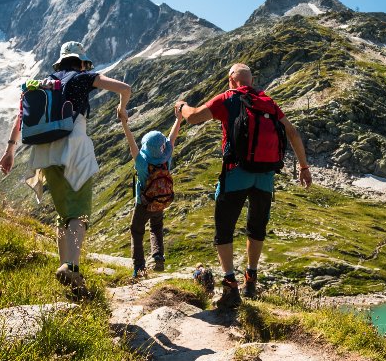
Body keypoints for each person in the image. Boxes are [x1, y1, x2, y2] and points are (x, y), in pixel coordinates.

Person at [0, 41, 131, 296]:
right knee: (78, 214)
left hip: (46, 152)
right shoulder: (83, 77)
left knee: (63, 214)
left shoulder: (43, 83)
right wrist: (122, 108)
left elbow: (20, 119)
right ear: (81, 62)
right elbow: (124, 88)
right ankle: (71, 266)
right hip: (75, 148)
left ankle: (70, 274)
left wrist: (10, 151)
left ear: (59, 63)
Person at [176, 63, 312, 308]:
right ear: (251, 80)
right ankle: (251, 278)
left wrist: (181, 106)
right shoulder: (268, 102)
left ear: (231, 79)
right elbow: (292, 131)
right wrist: (304, 167)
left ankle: (230, 285)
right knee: (256, 228)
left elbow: (194, 118)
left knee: (224, 229)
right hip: (265, 176)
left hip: (236, 173)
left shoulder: (228, 98)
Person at [120, 105, 183, 277]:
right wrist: (178, 119)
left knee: (136, 230)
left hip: (144, 203)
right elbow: (172, 138)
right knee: (156, 227)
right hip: (160, 202)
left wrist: (125, 123)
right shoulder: (166, 159)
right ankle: (158, 257)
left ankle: (139, 268)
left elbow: (131, 143)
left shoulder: (142, 163)